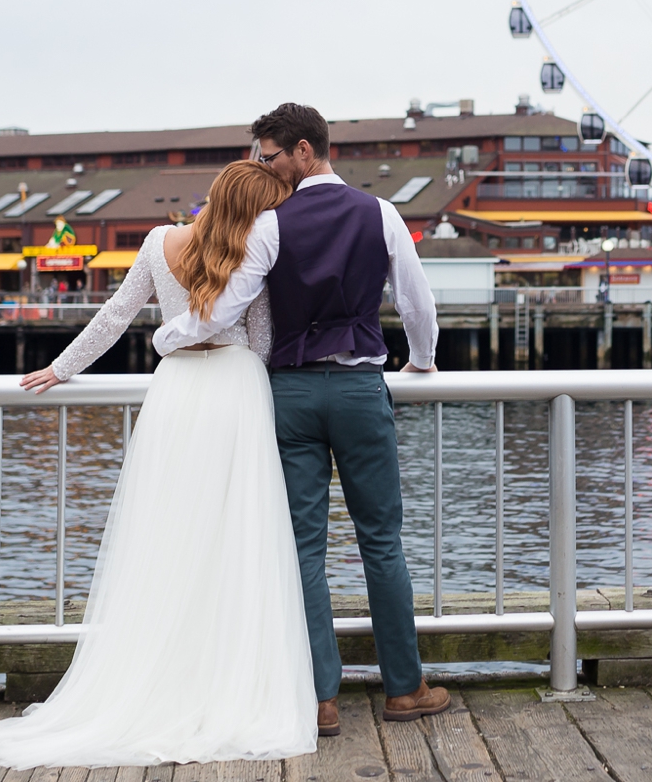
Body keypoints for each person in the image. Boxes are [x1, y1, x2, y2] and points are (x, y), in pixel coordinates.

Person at [0, 160, 316, 769]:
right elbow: (262, 341)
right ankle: (225, 680)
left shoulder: (157, 241)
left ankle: (158, 677)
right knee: (236, 538)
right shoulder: (258, 251)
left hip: (174, 394)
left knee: (167, 535)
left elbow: (116, 315)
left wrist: (62, 368)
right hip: (236, 392)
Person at [154, 102, 448, 737]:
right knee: (382, 543)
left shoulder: (270, 226)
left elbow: (224, 310)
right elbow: (417, 303)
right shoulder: (382, 213)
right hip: (358, 389)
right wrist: (420, 362)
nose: (262, 166)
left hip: (290, 394)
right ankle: (405, 688)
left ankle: (320, 699)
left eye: (269, 155)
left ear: (305, 151)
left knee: (303, 549)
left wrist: (167, 337)